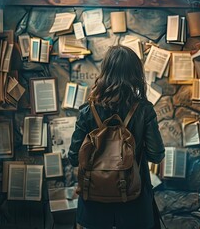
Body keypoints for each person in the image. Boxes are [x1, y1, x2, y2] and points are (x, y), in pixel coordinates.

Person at [68, 45, 165, 229]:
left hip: (94, 205)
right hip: (134, 206)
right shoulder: (144, 110)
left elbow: (73, 158)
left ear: (105, 72)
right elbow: (156, 155)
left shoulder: (87, 111)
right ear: (135, 73)